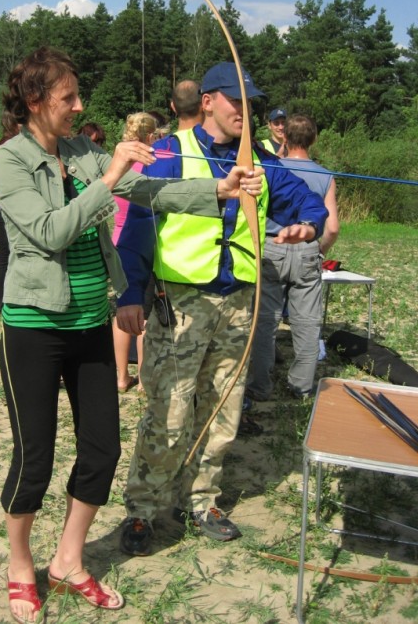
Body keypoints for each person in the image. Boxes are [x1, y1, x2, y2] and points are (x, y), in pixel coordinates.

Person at [0, 47, 264, 622]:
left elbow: (150, 194)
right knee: (34, 459)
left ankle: (68, 560)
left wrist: (220, 190)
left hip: (92, 322)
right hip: (34, 329)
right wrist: (110, 173)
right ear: (36, 102)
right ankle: (20, 564)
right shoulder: (7, 160)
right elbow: (51, 232)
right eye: (69, 98)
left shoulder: (81, 151)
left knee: (102, 451)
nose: (80, 107)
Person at [115, 62, 328, 557]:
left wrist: (308, 228)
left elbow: (309, 204)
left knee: (223, 408)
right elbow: (137, 229)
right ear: (207, 101)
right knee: (168, 408)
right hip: (182, 303)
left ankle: (202, 500)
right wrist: (129, 297)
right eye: (235, 100)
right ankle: (144, 509)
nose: (244, 111)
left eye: (250, 102)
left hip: (241, 303)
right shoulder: (171, 152)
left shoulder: (263, 161)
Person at [246, 114, 340, 402]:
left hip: (270, 247)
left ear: (283, 137)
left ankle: (260, 386)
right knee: (307, 321)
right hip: (308, 250)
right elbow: (333, 227)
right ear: (314, 139)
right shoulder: (325, 175)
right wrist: (318, 250)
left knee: (264, 321)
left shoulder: (269, 167)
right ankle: (300, 387)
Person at [112, 112, 160, 392]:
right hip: (142, 246)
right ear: (150, 137)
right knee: (143, 314)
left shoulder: (118, 165)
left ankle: (120, 377)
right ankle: (142, 377)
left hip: (118, 243)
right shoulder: (151, 167)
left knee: (122, 312)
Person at [0, 112, 20, 313]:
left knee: (8, 252)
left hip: (4, 205)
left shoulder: (9, 144)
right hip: (1, 206)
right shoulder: (7, 147)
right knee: (6, 253)